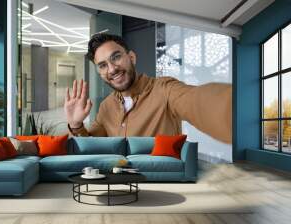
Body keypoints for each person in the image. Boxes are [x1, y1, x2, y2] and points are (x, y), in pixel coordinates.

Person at [64, 33, 232, 144]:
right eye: (102, 65)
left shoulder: (165, 90)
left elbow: (198, 101)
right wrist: (75, 124)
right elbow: (91, 145)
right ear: (100, 72)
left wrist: (236, 109)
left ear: (131, 57)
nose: (112, 69)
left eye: (116, 57)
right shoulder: (106, 106)